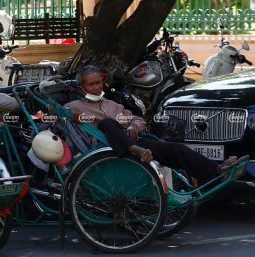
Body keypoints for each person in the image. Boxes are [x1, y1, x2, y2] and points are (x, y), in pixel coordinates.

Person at [64, 65, 238, 186]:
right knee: (107, 123)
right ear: (81, 88)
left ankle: (217, 169)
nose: (96, 87)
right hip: (105, 148)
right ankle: (137, 151)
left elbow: (137, 120)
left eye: (98, 83)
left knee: (175, 148)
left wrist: (133, 127)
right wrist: (67, 116)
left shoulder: (112, 105)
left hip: (133, 144)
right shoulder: (74, 108)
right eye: (91, 84)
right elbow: (56, 120)